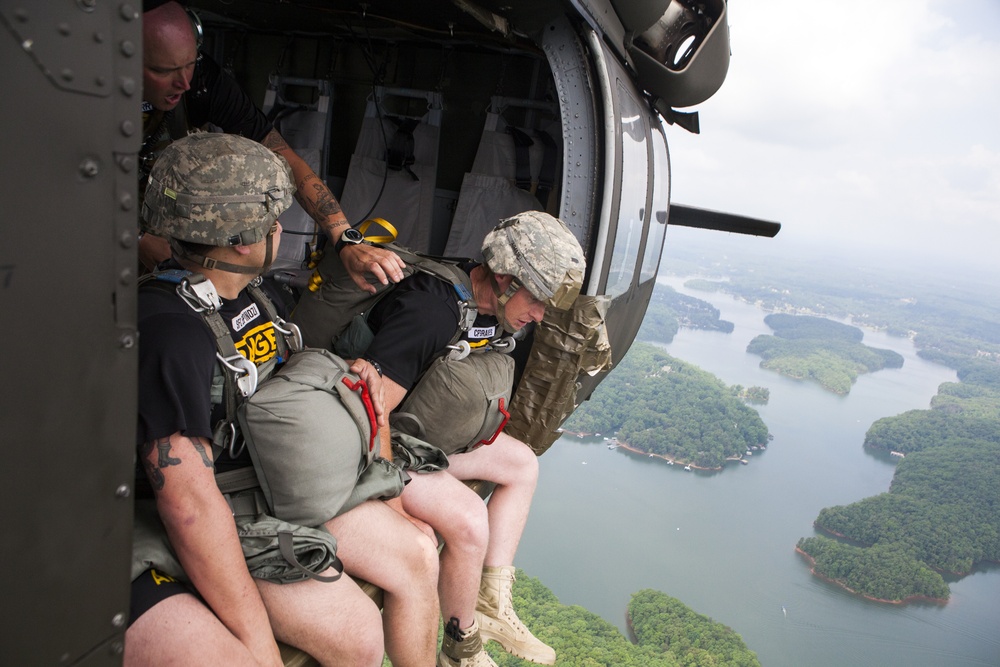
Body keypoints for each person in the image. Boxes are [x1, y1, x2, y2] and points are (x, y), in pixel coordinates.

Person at [128, 132, 440, 666]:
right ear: (243, 241)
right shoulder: (170, 334)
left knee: (410, 561)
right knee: (355, 635)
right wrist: (258, 646)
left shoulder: (255, 294)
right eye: (272, 222)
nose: (280, 229)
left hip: (269, 479)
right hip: (217, 503)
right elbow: (188, 505)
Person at [347, 211, 586, 666]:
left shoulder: (488, 305)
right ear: (503, 278)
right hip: (374, 448)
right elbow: (368, 410)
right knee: (469, 520)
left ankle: (491, 603)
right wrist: (392, 508)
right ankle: (461, 646)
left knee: (521, 465)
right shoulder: (432, 310)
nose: (538, 315)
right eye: (536, 300)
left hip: (420, 439)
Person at [139, 0, 403, 293]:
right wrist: (137, 238)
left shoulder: (202, 82)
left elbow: (283, 156)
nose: (184, 83)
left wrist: (344, 238)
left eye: (189, 64)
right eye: (165, 71)